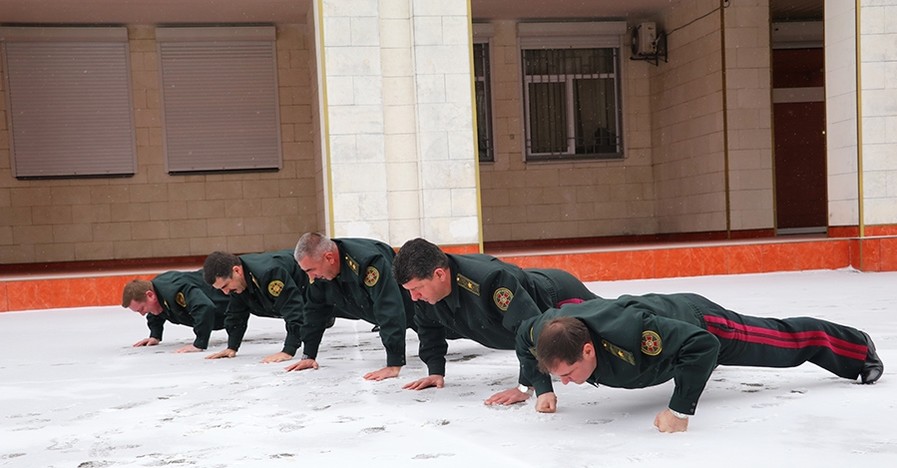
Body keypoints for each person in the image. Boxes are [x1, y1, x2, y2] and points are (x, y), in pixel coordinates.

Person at [516, 293, 885, 433]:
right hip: (671, 341)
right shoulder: (548, 332)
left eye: (566, 375)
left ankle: (857, 349)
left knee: (781, 344)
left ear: (588, 351)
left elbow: (702, 345)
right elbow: (522, 333)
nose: (566, 382)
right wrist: (542, 388)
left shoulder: (635, 333)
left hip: (700, 323)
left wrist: (679, 410)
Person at [391, 237, 598, 403]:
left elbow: (530, 329)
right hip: (530, 298)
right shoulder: (424, 293)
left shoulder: (490, 281)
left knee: (609, 327)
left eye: (417, 289)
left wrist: (529, 387)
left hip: (559, 298)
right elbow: (428, 326)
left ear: (439, 274)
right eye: (409, 291)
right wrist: (435, 370)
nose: (413, 297)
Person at [287, 232, 415, 381]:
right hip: (369, 310)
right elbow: (314, 310)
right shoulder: (321, 271)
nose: (311, 277)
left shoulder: (368, 262)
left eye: (311, 270)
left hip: (418, 309)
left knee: (446, 331)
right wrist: (308, 355)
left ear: (329, 258)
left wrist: (394, 363)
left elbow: (388, 307)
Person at [202, 250, 311, 363]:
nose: (225, 292)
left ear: (237, 270)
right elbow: (236, 313)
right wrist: (232, 346)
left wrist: (288, 350)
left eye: (225, 286)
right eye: (220, 289)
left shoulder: (269, 273)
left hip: (317, 282)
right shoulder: (239, 280)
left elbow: (294, 309)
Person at [121, 270, 229, 353]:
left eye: (142, 309)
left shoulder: (174, 289)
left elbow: (204, 307)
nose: (143, 314)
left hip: (228, 300)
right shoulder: (156, 294)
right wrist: (155, 335)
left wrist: (199, 343)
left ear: (150, 295)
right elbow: (156, 313)